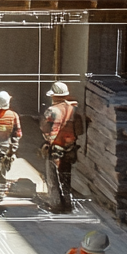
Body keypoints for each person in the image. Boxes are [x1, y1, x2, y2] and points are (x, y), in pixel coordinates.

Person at [41, 81, 81, 214]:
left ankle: (56, 205)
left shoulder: (52, 111)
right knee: (66, 176)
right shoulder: (73, 109)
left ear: (54, 96)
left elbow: (45, 129)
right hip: (70, 149)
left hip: (55, 149)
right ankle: (68, 204)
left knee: (53, 177)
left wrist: (47, 143)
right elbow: (80, 130)